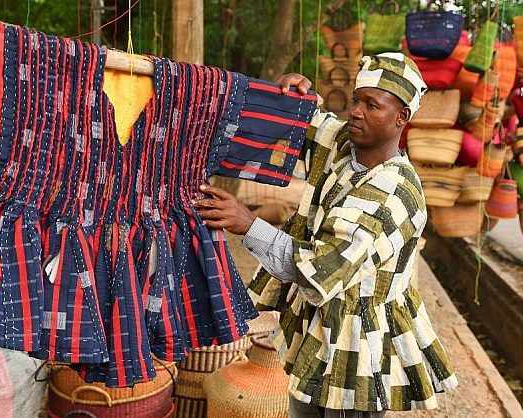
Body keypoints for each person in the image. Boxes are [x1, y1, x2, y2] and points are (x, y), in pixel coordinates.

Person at [194, 52, 458, 417]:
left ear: (401, 117)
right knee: (303, 407)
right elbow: (311, 123)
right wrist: (294, 95)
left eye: (372, 105)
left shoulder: (390, 193)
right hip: (321, 333)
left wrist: (248, 224)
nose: (356, 112)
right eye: (356, 100)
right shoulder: (348, 149)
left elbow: (318, 268)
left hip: (360, 347)